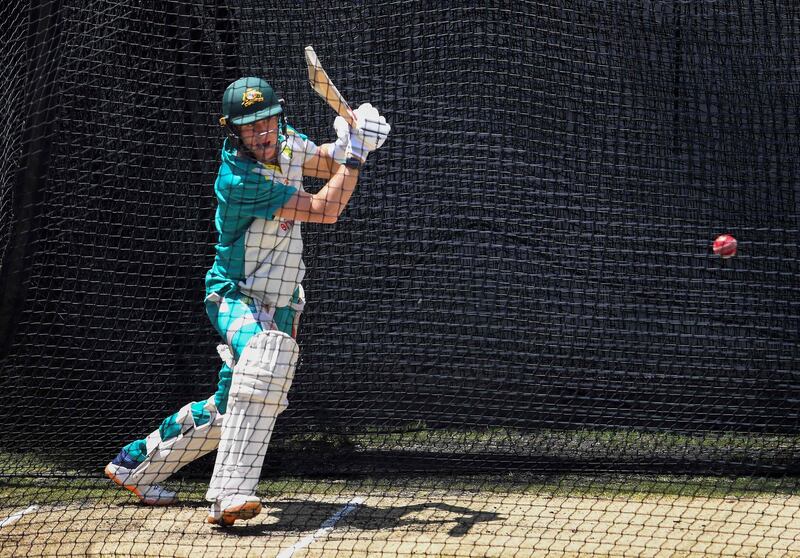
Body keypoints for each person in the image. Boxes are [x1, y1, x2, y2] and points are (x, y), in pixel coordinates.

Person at [103, 77, 390, 526]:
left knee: (234, 401)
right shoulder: (239, 179)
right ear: (233, 132)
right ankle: (229, 495)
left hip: (282, 298)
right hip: (235, 293)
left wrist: (352, 140)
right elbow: (324, 210)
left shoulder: (288, 140)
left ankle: (136, 464)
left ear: (279, 117)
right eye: (249, 127)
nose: (262, 133)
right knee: (264, 361)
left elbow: (324, 164)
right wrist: (355, 155)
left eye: (267, 121)